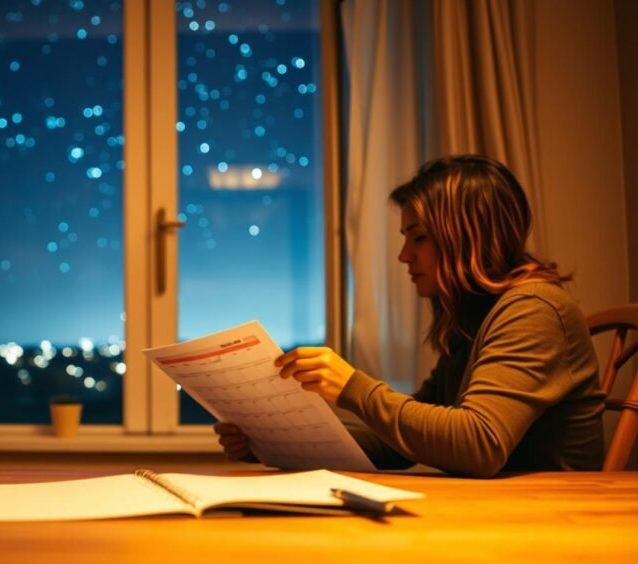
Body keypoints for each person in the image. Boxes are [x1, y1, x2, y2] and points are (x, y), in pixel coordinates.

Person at [214, 155, 605, 477]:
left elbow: (480, 444)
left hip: (550, 519)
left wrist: (353, 387)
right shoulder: (474, 315)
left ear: (467, 237)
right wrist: (273, 443)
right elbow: (401, 444)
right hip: (497, 508)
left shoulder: (533, 309)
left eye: (419, 237)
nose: (404, 255)